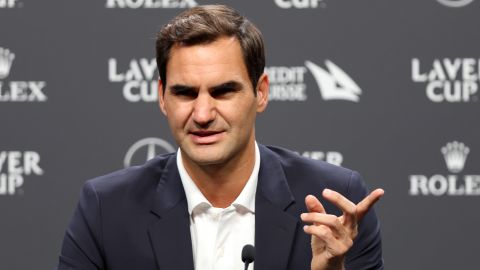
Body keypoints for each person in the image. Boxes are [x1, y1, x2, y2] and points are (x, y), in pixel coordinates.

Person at [56, 5, 384, 270]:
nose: (202, 114)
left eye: (223, 91)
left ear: (261, 92)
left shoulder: (337, 205)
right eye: (184, 93)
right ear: (161, 96)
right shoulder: (106, 209)